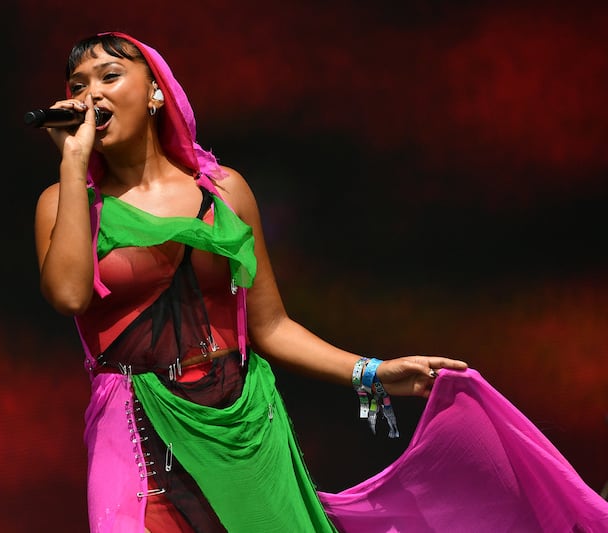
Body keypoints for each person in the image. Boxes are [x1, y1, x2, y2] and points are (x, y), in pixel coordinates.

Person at [34, 32, 608, 533]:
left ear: (156, 91)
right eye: (77, 85)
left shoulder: (223, 192)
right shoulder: (66, 203)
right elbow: (69, 296)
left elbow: (271, 327)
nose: (90, 95)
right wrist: (72, 164)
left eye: (109, 76)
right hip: (136, 436)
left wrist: (372, 371)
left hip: (244, 426)